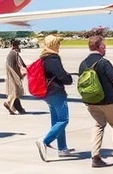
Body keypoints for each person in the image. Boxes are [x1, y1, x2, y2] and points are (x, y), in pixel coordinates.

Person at [79, 36, 113, 168]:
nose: (105, 48)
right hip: (107, 101)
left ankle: (95, 156)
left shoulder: (83, 63)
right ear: (99, 47)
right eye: (104, 46)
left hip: (91, 101)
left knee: (98, 125)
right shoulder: (104, 62)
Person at [35, 34, 75, 162]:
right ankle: (44, 140)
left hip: (48, 93)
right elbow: (61, 74)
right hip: (56, 92)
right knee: (64, 120)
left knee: (56, 121)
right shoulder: (53, 58)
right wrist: (69, 79)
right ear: (53, 44)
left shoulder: (44, 57)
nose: (59, 46)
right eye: (57, 43)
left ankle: (62, 148)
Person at [4, 39, 28, 115]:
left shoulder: (11, 53)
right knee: (16, 92)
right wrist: (20, 75)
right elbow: (20, 65)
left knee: (14, 91)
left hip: (10, 75)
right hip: (14, 75)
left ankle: (16, 108)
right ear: (16, 46)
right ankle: (9, 103)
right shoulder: (15, 54)